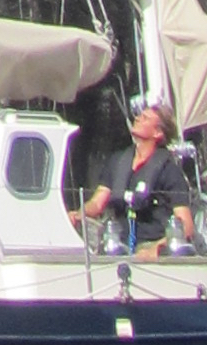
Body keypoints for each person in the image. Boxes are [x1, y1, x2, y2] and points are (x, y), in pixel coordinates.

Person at [79, 98, 196, 250]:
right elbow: (97, 203)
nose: (137, 118)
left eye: (145, 118)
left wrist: (157, 248)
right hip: (118, 244)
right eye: (139, 116)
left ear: (158, 133)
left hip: (151, 245)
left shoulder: (169, 171)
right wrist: (79, 213)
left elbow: (186, 225)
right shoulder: (117, 161)